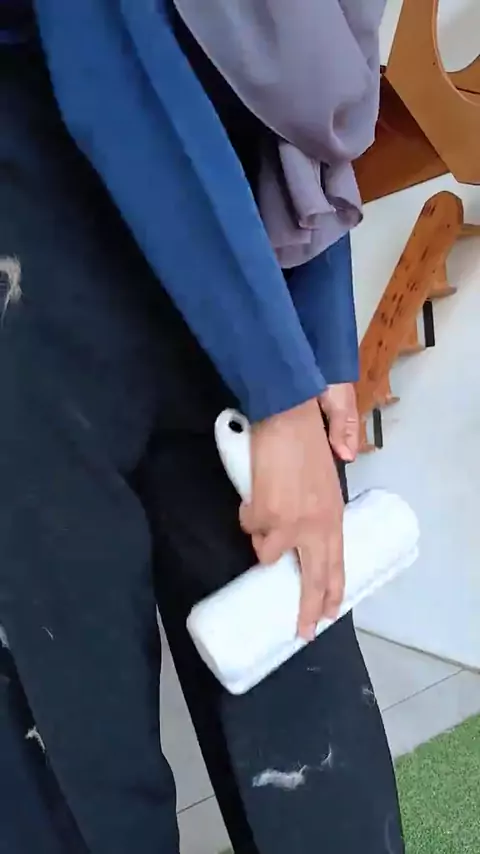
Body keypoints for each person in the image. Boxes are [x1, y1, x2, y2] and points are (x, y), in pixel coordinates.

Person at [0, 2, 404, 853]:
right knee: (82, 751)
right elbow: (111, 55)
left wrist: (318, 329)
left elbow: (307, 61)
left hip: (223, 215)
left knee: (313, 725)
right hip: (30, 205)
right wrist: (278, 387)